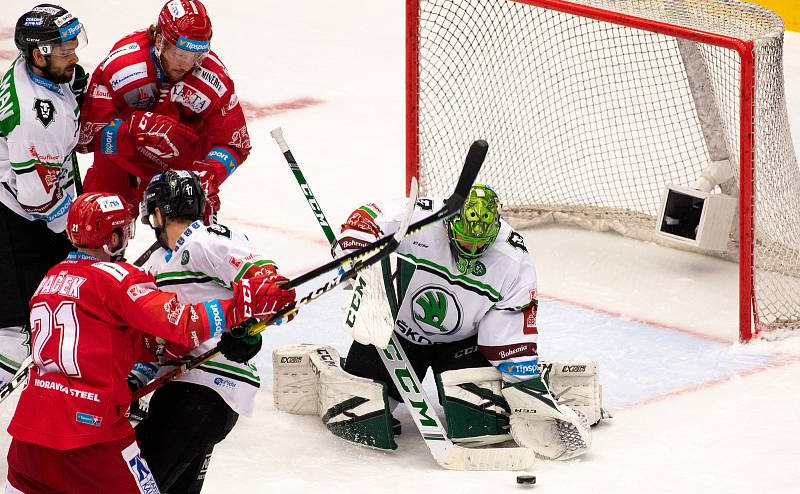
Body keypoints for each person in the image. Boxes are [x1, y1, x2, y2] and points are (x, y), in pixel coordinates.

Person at [274, 185, 597, 459]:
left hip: (462, 345)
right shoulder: (418, 217)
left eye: (479, 246)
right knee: (358, 417)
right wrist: (354, 251)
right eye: (464, 241)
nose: (470, 250)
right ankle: (323, 363)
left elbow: (510, 326)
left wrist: (521, 379)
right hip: (394, 333)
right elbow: (366, 217)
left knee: (477, 429)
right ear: (450, 222)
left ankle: (545, 377)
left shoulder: (512, 259)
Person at [5, 191, 295, 493]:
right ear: (112, 238)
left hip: (27, 439)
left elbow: (108, 340)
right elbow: (181, 322)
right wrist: (240, 307)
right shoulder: (116, 277)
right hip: (91, 437)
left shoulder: (50, 278)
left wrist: (167, 348)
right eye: (123, 232)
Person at [130, 170, 290, 493]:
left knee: (132, 485)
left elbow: (273, 289)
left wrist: (246, 330)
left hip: (201, 393)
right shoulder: (159, 263)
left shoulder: (205, 240)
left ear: (158, 213)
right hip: (190, 393)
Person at [77, 0, 250, 221]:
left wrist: (208, 174)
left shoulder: (214, 80)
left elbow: (235, 143)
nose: (187, 64)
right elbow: (84, 138)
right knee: (97, 225)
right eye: (180, 54)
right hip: (120, 161)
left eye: (196, 55)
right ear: (160, 41)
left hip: (182, 173)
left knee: (195, 244)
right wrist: (134, 129)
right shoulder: (124, 67)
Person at [0, 4, 89, 385]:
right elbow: (38, 201)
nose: (75, 57)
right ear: (40, 53)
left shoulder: (41, 73)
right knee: (19, 323)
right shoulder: (38, 117)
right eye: (66, 50)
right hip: (18, 222)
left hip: (32, 202)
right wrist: (83, 229)